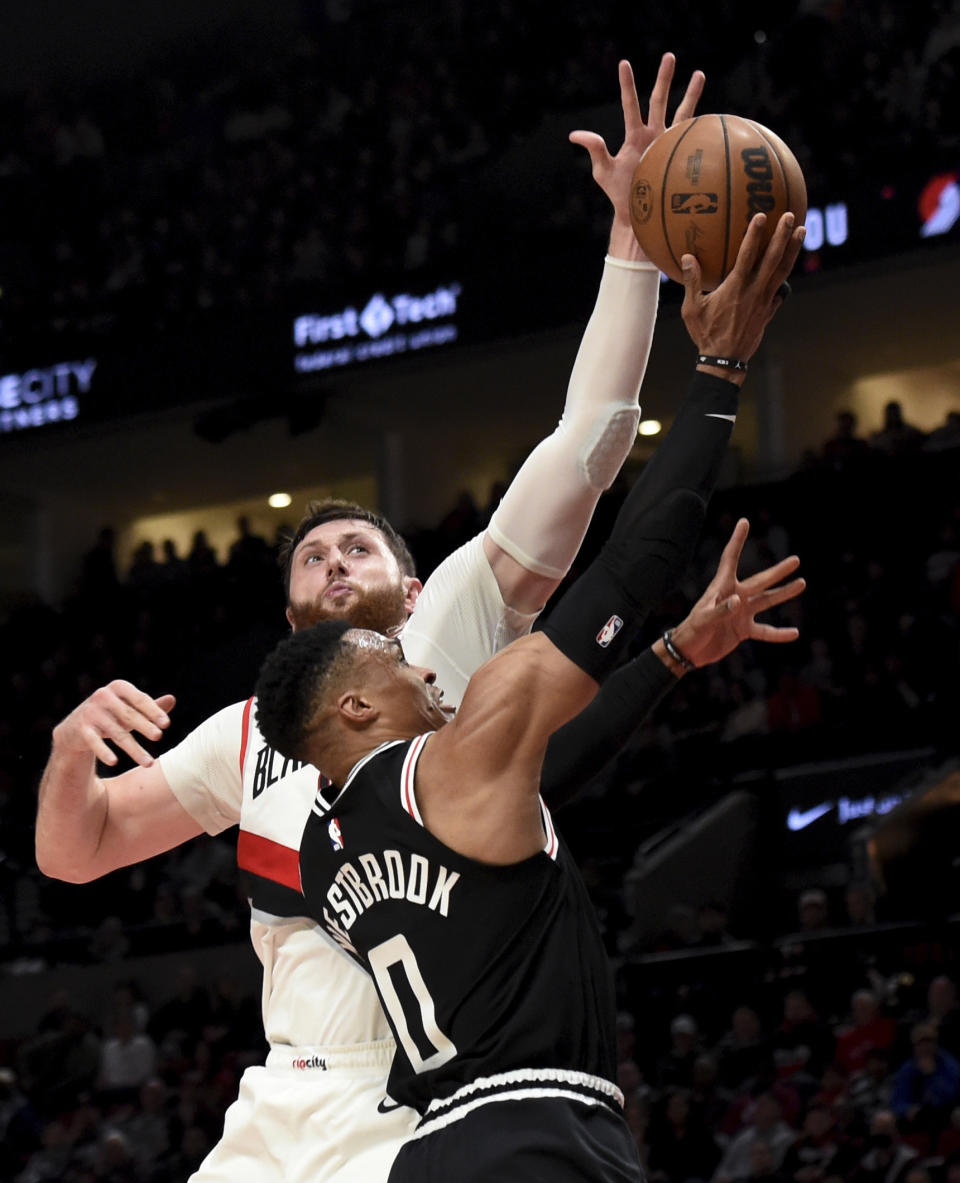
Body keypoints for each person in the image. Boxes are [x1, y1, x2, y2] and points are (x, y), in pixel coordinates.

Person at [34, 57, 805, 1182]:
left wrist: (633, 245)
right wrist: (65, 752)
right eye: (312, 554)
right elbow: (77, 850)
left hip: (416, 1095)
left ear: (408, 583)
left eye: (360, 546)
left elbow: (592, 440)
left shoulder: (455, 619)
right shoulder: (247, 732)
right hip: (272, 1099)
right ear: (296, 625)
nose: (335, 558)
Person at [257, 511, 805, 1181]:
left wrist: (674, 653)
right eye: (399, 662)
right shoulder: (451, 765)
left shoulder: (317, 856)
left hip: (428, 1148)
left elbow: (558, 766)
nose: (426, 673)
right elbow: (620, 575)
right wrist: (719, 403)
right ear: (356, 707)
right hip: (536, 1128)